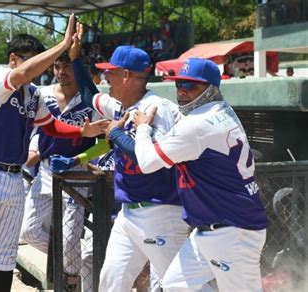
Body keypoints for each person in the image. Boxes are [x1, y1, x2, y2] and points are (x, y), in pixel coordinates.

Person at [0, 15, 108, 292]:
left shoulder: (33, 94)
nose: (40, 66)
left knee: (6, 254)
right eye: (32, 59)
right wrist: (62, 46)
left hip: (13, 176)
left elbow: (51, 125)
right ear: (13, 59)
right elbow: (21, 74)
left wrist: (82, 132)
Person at [52, 23, 189, 291]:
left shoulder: (156, 109)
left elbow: (150, 159)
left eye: (111, 73)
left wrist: (115, 135)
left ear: (125, 75)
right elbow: (91, 95)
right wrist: (77, 58)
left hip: (160, 210)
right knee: (110, 282)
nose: (106, 79)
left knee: (179, 286)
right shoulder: (121, 106)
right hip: (128, 214)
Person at [132, 58, 268, 291]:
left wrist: (143, 128)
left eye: (191, 85)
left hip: (233, 231)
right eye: (178, 84)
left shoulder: (197, 125)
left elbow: (146, 162)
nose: (182, 91)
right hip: (212, 229)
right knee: (176, 286)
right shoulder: (222, 109)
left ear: (211, 90)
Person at [20, 51, 103, 291]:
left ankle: (71, 280)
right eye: (57, 66)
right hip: (46, 170)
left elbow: (104, 142)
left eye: (67, 66)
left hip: (76, 173)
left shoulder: (92, 100)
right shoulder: (43, 95)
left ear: (80, 68)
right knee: (30, 231)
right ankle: (77, 261)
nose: (62, 72)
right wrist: (33, 150)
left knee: (69, 242)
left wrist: (79, 159)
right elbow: (34, 130)